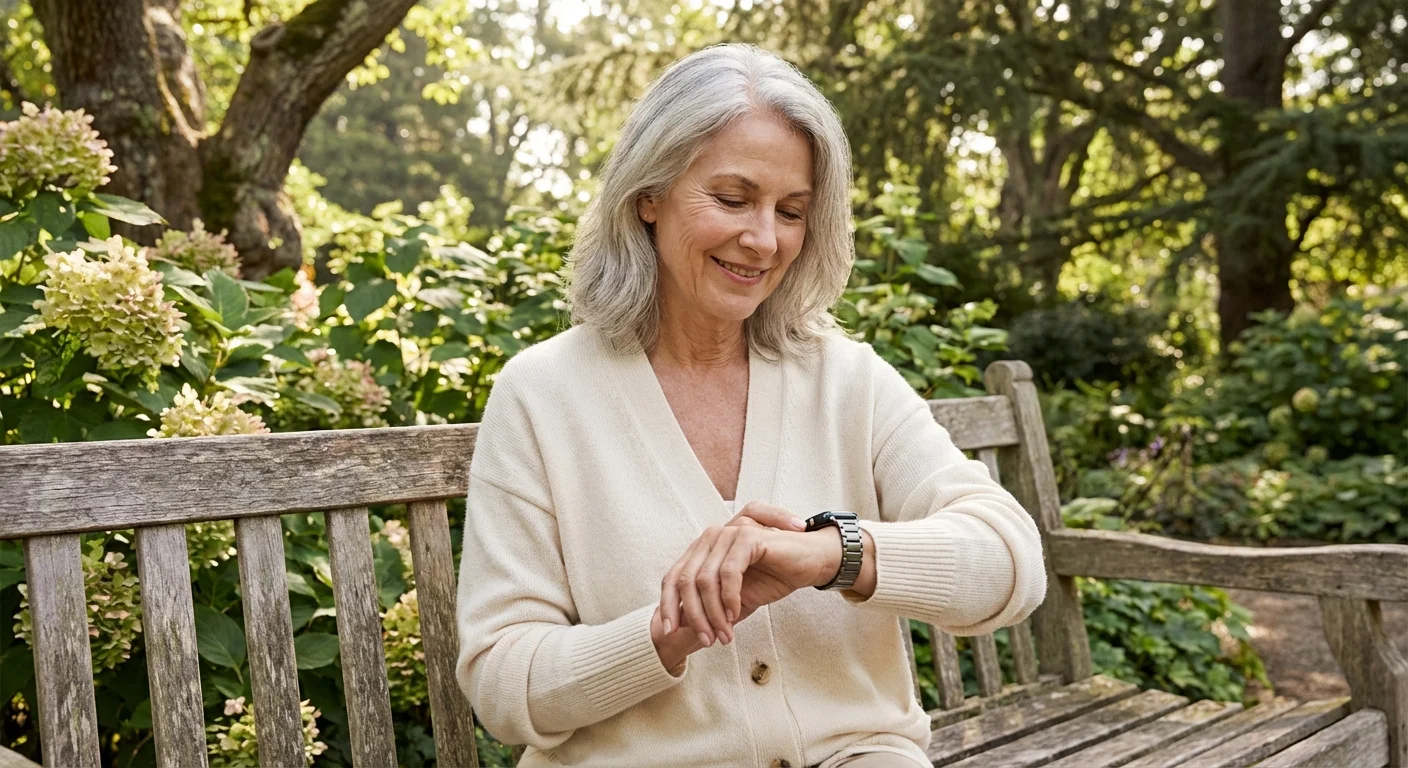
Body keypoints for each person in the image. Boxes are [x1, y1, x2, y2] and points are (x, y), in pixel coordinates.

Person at [454, 43, 1046, 768]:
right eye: (732, 199)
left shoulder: (845, 379)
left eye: (791, 211)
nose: (763, 239)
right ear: (648, 194)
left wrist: (830, 553)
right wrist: (666, 633)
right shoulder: (542, 395)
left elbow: (1011, 563)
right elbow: (503, 684)